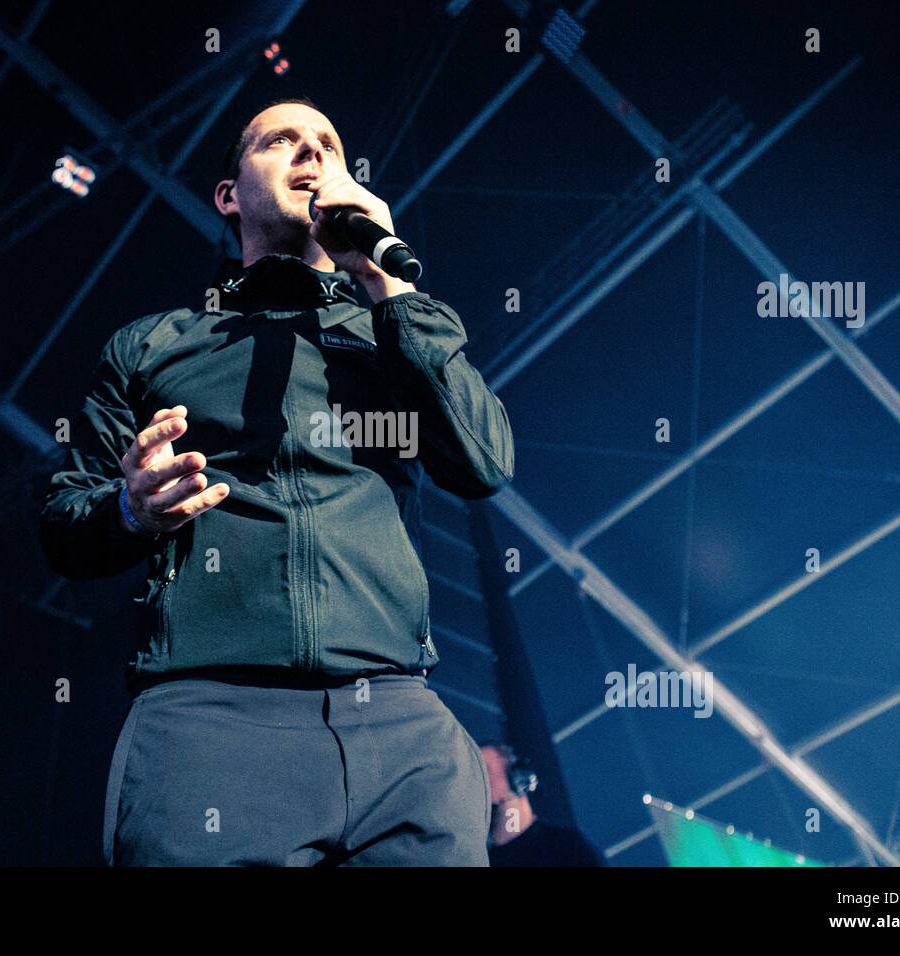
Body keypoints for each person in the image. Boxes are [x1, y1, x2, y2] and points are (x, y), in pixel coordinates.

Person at [39, 96, 515, 866]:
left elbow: (483, 463)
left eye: (327, 143)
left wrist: (390, 291)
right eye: (282, 140)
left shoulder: (390, 330)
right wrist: (130, 509)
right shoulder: (153, 346)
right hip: (212, 723)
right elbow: (65, 520)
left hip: (400, 722)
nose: (311, 153)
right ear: (230, 195)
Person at [481, 743, 607, 866]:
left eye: (486, 771)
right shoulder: (480, 860)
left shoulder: (567, 847)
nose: (479, 783)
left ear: (518, 778)